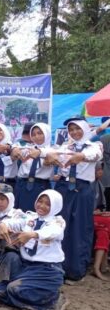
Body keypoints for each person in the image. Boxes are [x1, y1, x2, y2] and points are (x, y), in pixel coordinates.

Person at [0, 190, 68, 310]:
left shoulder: (58, 221)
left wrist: (32, 234)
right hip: (27, 266)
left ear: (55, 206)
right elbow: (13, 222)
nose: (42, 206)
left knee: (14, 289)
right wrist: (2, 225)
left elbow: (53, 231)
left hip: (47, 270)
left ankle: (53, 300)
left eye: (47, 204)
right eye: (40, 201)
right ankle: (29, 301)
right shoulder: (29, 217)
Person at [49, 117, 102, 281]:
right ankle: (58, 266)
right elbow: (50, 154)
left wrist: (81, 156)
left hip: (83, 189)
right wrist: (52, 159)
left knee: (80, 228)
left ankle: (76, 270)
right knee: (60, 226)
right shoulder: (65, 146)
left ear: (85, 129)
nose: (74, 132)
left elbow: (95, 155)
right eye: (71, 129)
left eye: (77, 128)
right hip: (64, 189)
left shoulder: (94, 146)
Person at [12, 123, 52, 211]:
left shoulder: (53, 150)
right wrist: (14, 149)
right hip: (22, 185)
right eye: (33, 134)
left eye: (40, 133)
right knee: (19, 213)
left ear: (47, 133)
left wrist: (40, 152)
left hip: (40, 186)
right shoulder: (27, 148)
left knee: (36, 213)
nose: (37, 137)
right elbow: (14, 147)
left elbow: (53, 153)